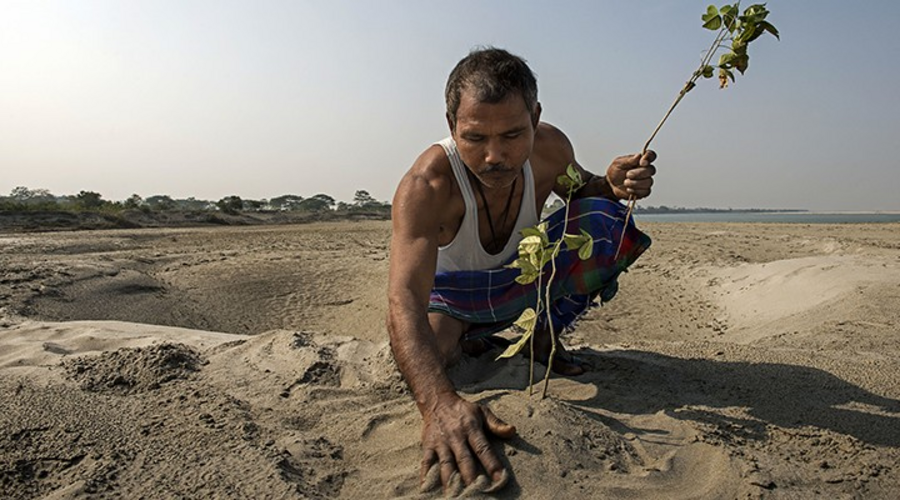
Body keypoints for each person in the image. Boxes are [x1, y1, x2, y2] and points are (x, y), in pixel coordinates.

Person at [386, 47, 657, 494]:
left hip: (523, 280)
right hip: (451, 297)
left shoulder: (551, 149)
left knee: (606, 219)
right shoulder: (426, 185)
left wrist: (610, 184)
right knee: (435, 353)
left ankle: (542, 335)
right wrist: (438, 405)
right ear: (451, 124)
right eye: (475, 138)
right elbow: (404, 298)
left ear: (535, 117)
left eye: (513, 134)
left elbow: (582, 191)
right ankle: (471, 337)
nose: (495, 156)